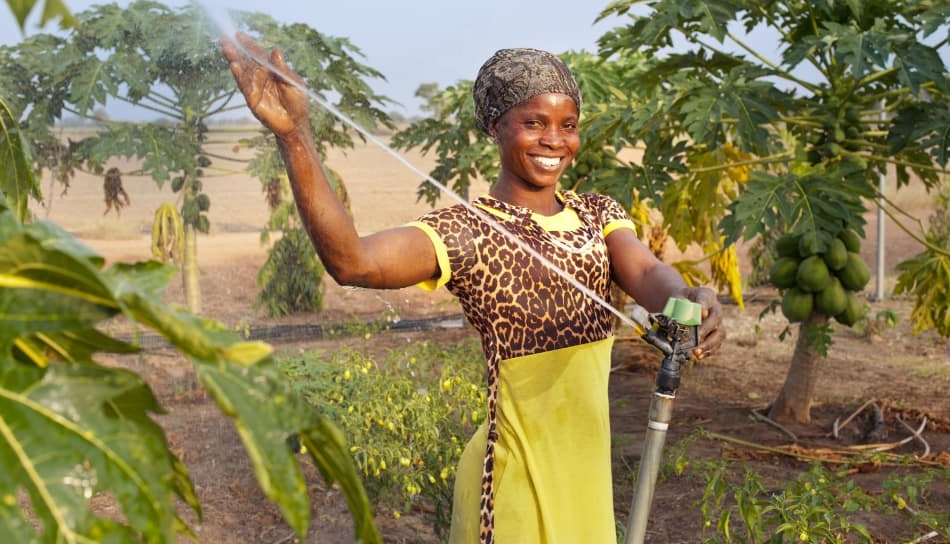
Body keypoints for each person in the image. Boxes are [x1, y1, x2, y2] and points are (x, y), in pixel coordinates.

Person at [220, 35, 725, 544]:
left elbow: (647, 275)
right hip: (514, 478)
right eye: (534, 123)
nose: (555, 140)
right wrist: (293, 134)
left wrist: (691, 300)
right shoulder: (469, 231)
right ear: (495, 126)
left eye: (567, 126)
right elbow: (354, 262)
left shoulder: (597, 214)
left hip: (584, 466)